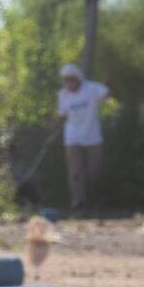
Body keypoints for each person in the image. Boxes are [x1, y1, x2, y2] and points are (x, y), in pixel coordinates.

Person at [56, 63, 110, 210]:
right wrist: (53, 133)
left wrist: (107, 84)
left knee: (94, 170)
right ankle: (78, 202)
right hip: (72, 137)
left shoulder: (91, 88)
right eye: (65, 80)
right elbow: (61, 116)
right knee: (75, 172)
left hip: (93, 136)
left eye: (71, 79)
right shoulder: (63, 95)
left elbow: (107, 93)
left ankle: (94, 200)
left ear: (78, 78)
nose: (68, 82)